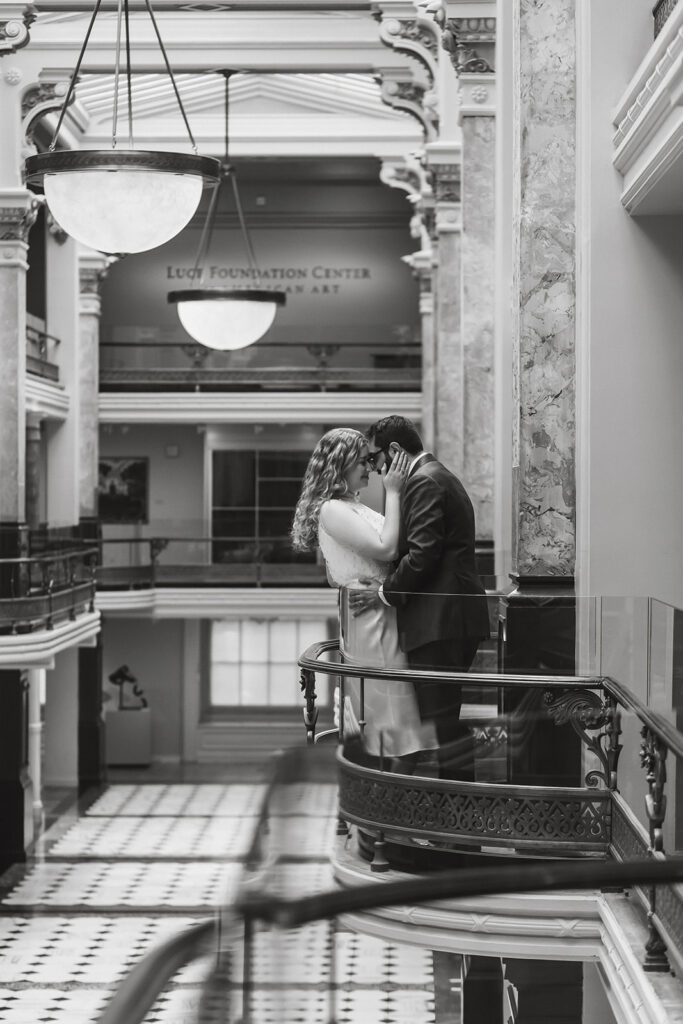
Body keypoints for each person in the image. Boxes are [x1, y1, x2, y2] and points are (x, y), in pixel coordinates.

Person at [291, 427, 437, 764]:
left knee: (393, 703)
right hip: (368, 618)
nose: (370, 468)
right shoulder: (332, 509)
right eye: (362, 462)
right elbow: (386, 548)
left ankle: (391, 783)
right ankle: (382, 785)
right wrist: (394, 492)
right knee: (383, 704)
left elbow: (335, 572)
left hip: (376, 609)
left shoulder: (346, 506)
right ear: (339, 465)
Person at [361, 415, 490, 778]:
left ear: (395, 450)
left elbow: (422, 554)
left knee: (443, 728)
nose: (375, 467)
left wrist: (385, 594)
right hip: (447, 619)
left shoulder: (423, 482)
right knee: (443, 724)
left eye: (375, 458)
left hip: (441, 621)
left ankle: (460, 831)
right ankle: (456, 828)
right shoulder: (435, 475)